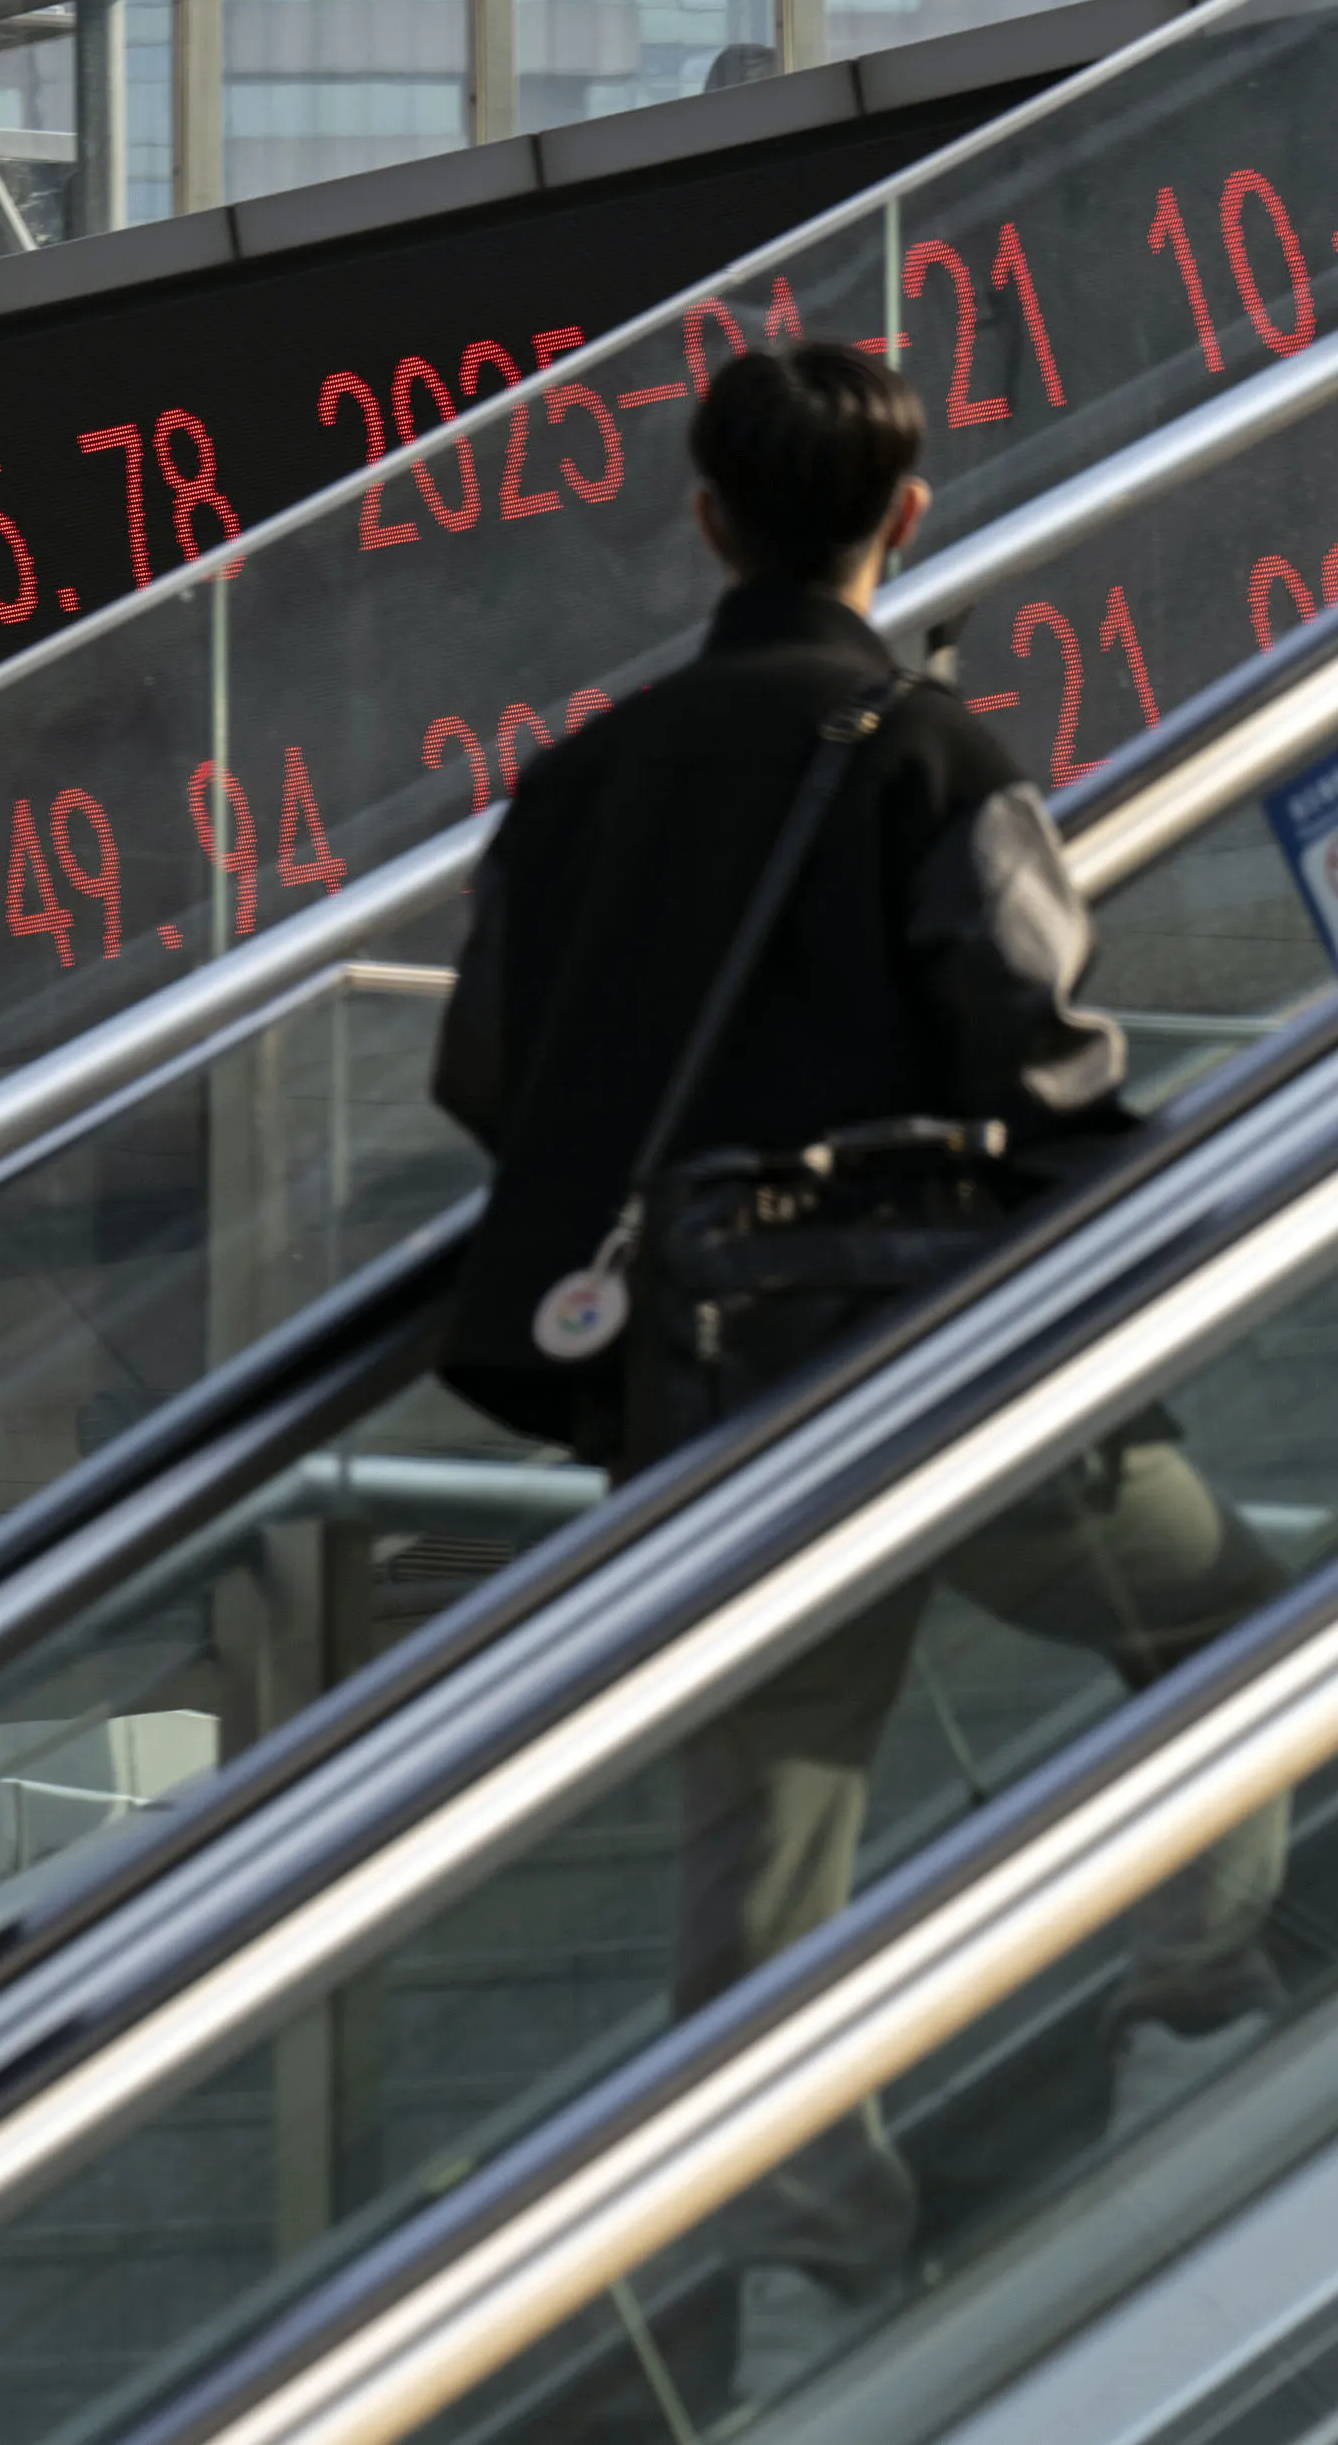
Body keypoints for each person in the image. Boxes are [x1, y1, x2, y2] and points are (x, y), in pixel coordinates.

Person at [431, 341, 1284, 2373]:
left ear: (706, 515)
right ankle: (1186, 2006)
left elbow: (486, 1075)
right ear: (902, 517)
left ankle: (816, 2255)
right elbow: (1038, 1037)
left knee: (764, 1847)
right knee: (1252, 1644)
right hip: (952, 1381)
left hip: (715, 1410)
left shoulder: (574, 785)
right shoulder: (930, 755)